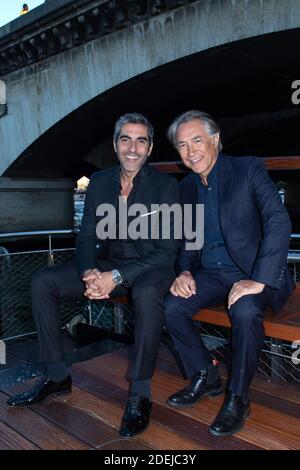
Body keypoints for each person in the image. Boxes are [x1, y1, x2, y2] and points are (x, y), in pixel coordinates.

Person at [7, 113, 179, 439]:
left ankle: (140, 393)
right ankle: (57, 376)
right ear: (115, 145)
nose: (133, 147)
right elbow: (86, 237)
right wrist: (89, 272)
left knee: (145, 294)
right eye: (125, 139)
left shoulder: (166, 186)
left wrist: (114, 276)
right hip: (106, 263)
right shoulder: (100, 182)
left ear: (150, 147)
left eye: (141, 140)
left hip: (150, 268)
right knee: (43, 280)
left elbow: (167, 251)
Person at [164, 110, 295, 436]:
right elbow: (189, 241)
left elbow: (278, 222)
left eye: (197, 140)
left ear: (216, 140)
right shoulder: (187, 188)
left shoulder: (246, 168)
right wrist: (184, 273)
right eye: (182, 145)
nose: (191, 151)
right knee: (171, 307)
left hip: (250, 273)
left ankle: (238, 397)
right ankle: (205, 375)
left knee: (246, 312)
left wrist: (260, 279)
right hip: (210, 274)